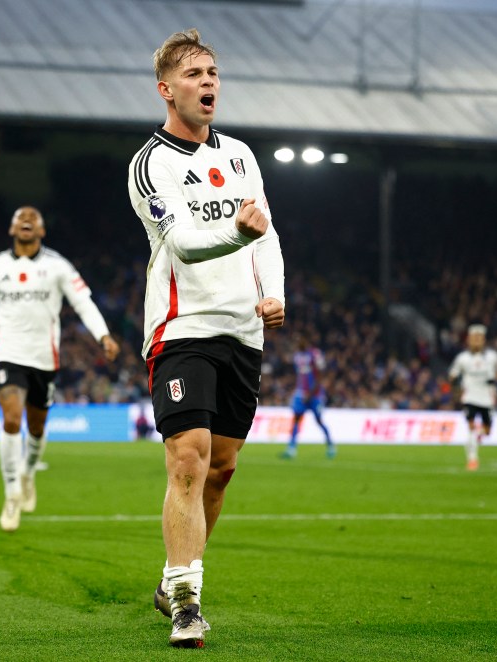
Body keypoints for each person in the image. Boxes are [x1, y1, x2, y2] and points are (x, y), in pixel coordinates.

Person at [127, 29, 285, 649]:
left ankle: (173, 575)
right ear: (167, 89)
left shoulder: (242, 155)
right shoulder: (151, 164)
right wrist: (242, 236)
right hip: (181, 328)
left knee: (221, 468)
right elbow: (186, 246)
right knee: (187, 455)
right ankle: (188, 600)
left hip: (244, 332)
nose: (209, 83)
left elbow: (267, 233)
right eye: (195, 75)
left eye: (213, 72)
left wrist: (273, 291)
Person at [0, 206, 120, 531]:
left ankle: (28, 471)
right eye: (20, 217)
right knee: (12, 419)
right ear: (12, 229)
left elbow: (83, 301)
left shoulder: (57, 266)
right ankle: (12, 493)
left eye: (34, 218)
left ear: (42, 231)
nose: (27, 219)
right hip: (7, 351)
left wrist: (103, 335)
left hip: (44, 357)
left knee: (37, 427)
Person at [448, 324, 497, 471]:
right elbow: (452, 374)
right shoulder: (462, 358)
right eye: (473, 338)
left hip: (487, 397)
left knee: (487, 431)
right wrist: (456, 384)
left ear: (483, 340)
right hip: (469, 397)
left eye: (479, 338)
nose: (476, 341)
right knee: (470, 426)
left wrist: (495, 379)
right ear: (468, 340)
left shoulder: (492, 356)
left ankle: (477, 437)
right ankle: (472, 459)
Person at [282, 334, 334, 459]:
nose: (298, 343)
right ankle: (291, 449)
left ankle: (330, 445)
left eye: (300, 340)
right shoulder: (297, 356)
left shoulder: (315, 354)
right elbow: (299, 375)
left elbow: (320, 375)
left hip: (315, 395)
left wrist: (310, 394)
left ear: (306, 341)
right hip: (301, 393)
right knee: (296, 419)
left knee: (319, 420)